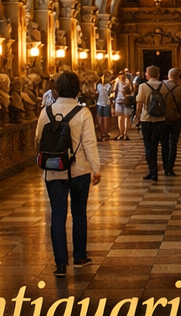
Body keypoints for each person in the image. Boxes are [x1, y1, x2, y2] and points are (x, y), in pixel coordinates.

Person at [36, 70, 100, 277]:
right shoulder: (83, 112)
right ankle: (80, 256)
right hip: (79, 169)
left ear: (57, 89)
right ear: (77, 89)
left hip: (54, 171)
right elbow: (90, 143)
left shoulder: (46, 111)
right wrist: (96, 168)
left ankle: (60, 264)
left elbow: (38, 139)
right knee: (79, 212)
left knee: (57, 214)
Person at [136, 65, 181, 182]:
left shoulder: (143, 86)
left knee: (148, 146)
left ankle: (153, 171)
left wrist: (137, 117)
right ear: (158, 75)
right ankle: (165, 168)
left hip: (146, 119)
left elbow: (140, 103)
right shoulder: (164, 86)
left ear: (147, 74)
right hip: (161, 119)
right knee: (157, 144)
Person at [163, 68, 181, 172]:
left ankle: (165, 165)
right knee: (173, 143)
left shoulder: (161, 86)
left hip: (163, 118)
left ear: (168, 75)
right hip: (175, 118)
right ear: (178, 77)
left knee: (164, 143)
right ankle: (170, 168)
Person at [113, 70, 134, 141]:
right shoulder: (127, 80)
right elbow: (131, 89)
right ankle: (125, 133)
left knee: (120, 117)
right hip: (126, 99)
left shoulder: (117, 80)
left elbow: (114, 89)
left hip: (119, 100)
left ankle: (121, 133)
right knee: (126, 117)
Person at [94, 74, 115, 141]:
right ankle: (105, 133)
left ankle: (102, 133)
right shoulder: (108, 86)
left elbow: (96, 92)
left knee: (100, 119)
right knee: (106, 119)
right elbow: (110, 93)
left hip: (99, 103)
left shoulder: (98, 85)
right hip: (106, 103)